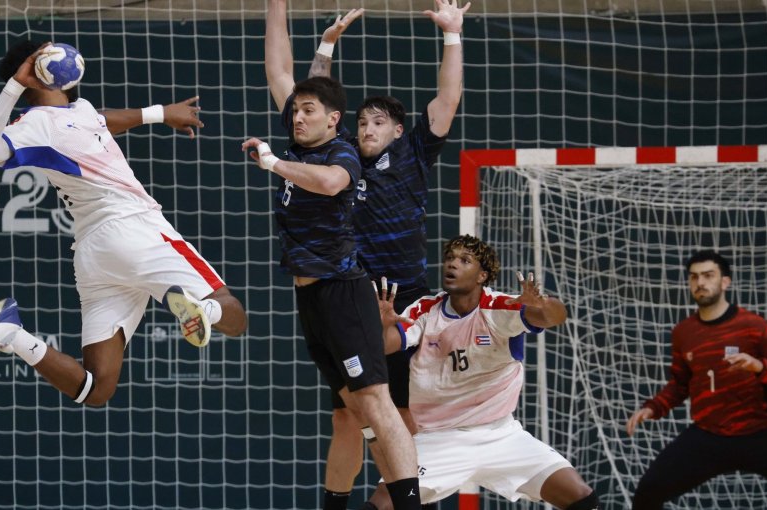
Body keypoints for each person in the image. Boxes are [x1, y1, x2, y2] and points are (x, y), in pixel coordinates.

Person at [0, 40, 247, 407]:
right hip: (135, 228)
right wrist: (17, 84)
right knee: (234, 315)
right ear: (40, 75)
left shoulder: (79, 109)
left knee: (96, 389)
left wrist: (160, 113)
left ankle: (12, 334)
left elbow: (104, 120)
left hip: (94, 254)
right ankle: (201, 309)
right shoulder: (35, 124)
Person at [239, 3, 423, 509]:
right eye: (294, 112)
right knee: (346, 413)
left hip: (345, 292)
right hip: (311, 296)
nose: (297, 117)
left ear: (333, 120)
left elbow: (331, 184)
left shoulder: (338, 153)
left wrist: (273, 162)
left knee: (375, 403)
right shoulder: (300, 143)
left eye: (308, 111)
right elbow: (278, 69)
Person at [302, 2, 469, 508]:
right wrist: (326, 45)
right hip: (351, 296)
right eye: (362, 122)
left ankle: (392, 502)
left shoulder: (415, 150)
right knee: (347, 415)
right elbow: (313, 100)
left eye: (378, 122)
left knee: (400, 414)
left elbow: (447, 96)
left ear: (397, 129)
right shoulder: (343, 156)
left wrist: (453, 35)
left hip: (408, 300)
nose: (368, 129)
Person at [377, 235, 598, 510]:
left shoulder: (500, 308)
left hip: (501, 435)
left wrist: (543, 304)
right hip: (438, 437)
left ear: (482, 275)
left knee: (581, 497)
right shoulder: (425, 309)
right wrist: (383, 325)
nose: (452, 265)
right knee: (383, 504)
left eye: (464, 260)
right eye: (450, 259)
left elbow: (554, 318)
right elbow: (387, 345)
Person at [626, 250, 767, 509]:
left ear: (725, 282)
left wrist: (760, 366)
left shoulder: (754, 325)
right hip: (709, 435)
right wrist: (653, 407)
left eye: (708, 275)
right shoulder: (684, 332)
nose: (700, 283)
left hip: (762, 432)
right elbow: (680, 384)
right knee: (648, 492)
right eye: (693, 277)